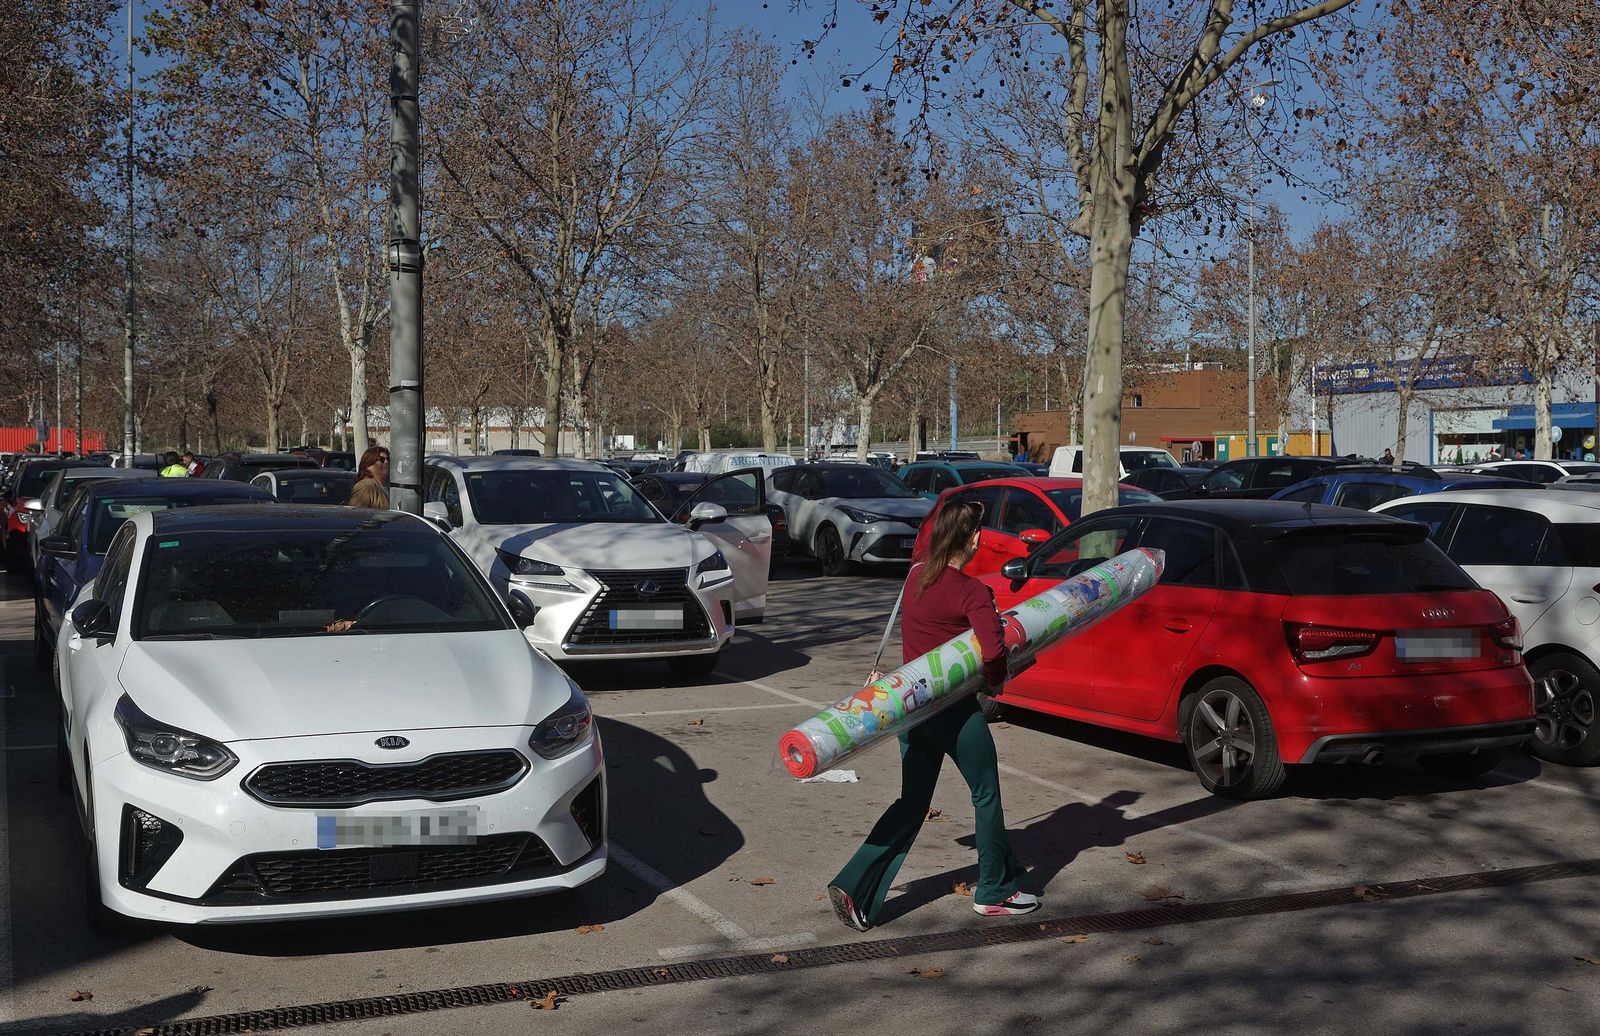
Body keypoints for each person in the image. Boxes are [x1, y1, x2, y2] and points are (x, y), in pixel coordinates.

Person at [826, 500, 1036, 932]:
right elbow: (993, 650)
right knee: (986, 794)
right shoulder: (971, 591)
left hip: (910, 708)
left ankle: (854, 884)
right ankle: (994, 892)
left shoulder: (916, 576)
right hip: (952, 710)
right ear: (974, 539)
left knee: (912, 802)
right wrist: (995, 682)